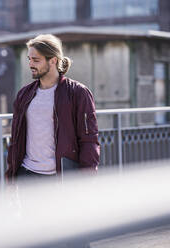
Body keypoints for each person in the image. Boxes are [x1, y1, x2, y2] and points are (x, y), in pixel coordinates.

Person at [6, 34, 100, 182]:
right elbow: (15, 140)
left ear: (53, 60)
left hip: (60, 178)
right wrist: (11, 176)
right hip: (27, 174)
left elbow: (89, 139)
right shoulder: (24, 94)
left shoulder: (78, 93)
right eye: (29, 59)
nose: (31, 64)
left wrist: (87, 180)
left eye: (36, 60)